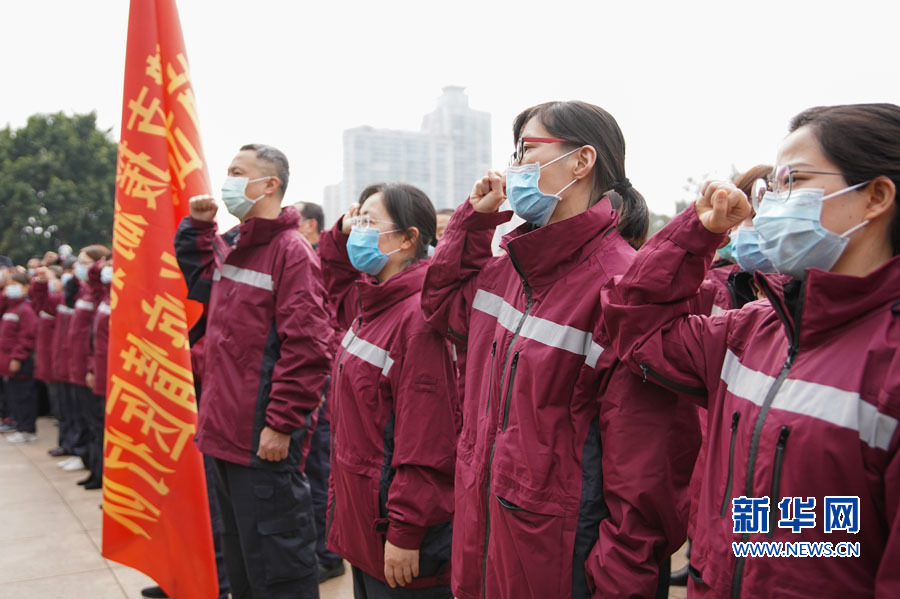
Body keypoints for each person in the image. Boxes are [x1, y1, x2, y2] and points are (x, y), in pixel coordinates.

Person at [603, 103, 900, 598]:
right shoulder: (755, 330)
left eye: (794, 180)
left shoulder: (887, 364)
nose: (773, 203)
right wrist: (698, 231)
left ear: (876, 196)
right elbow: (636, 327)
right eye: (773, 187)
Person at [421, 100, 698, 599]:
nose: (513, 167)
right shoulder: (507, 269)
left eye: (527, 150)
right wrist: (472, 222)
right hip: (484, 548)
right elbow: (442, 306)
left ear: (581, 161)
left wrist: (619, 582)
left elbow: (646, 469)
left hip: (560, 562)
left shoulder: (624, 287)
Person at [175, 143, 333, 599]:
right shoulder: (236, 244)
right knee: (244, 561)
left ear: (269, 185)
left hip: (261, 439)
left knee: (278, 564)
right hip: (224, 432)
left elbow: (308, 347)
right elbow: (200, 280)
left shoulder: (290, 251)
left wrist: (281, 424)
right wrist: (198, 229)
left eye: (237, 172)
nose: (226, 181)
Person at [318, 182, 458, 598]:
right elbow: (332, 282)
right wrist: (340, 233)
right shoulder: (372, 304)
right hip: (366, 525)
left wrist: (406, 531)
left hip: (399, 536)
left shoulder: (417, 318)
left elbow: (427, 441)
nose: (358, 230)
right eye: (356, 220)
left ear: (408, 238)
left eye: (369, 222)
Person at [1, 272, 38, 443]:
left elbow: (27, 337)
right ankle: (20, 426)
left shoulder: (26, 309)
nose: (10, 287)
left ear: (25, 287)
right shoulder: (11, 307)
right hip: (8, 361)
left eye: (14, 284)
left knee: (24, 396)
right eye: (8, 284)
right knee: (14, 395)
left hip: (21, 362)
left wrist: (17, 357)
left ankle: (27, 429)